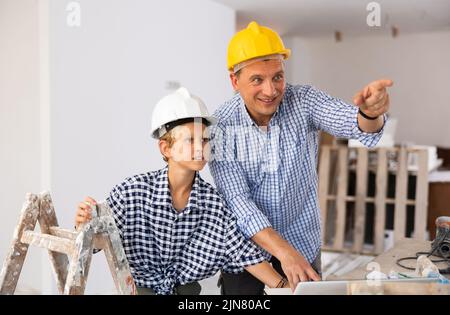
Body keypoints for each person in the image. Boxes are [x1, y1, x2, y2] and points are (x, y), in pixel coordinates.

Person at [209, 21, 393, 294]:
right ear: (235, 81)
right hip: (247, 258)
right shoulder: (219, 127)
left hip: (302, 246)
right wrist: (283, 252)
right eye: (257, 79)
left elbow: (349, 122)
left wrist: (369, 114)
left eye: (278, 77)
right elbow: (238, 203)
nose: (271, 91)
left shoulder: (303, 100)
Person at [74, 87, 289, 295]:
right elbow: (92, 242)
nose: (200, 148)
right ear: (166, 148)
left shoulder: (214, 205)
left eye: (205, 139)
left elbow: (245, 255)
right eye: (190, 140)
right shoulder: (131, 193)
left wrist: (285, 287)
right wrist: (84, 221)